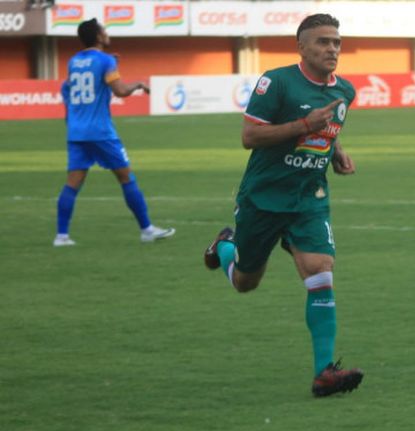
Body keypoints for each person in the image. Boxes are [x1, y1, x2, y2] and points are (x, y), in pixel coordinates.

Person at [203, 14, 362, 398]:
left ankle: (324, 373)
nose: (332, 49)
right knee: (245, 281)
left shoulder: (345, 90)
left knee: (320, 271)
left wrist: (336, 150)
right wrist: (303, 125)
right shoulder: (276, 82)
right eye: (323, 42)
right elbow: (249, 136)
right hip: (263, 198)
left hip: (309, 198)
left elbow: (330, 127)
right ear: (302, 47)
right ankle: (225, 245)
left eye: (337, 42)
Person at [55, 19, 175, 246]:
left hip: (76, 132)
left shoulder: (74, 61)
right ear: (98, 36)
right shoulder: (105, 60)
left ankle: (61, 236)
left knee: (72, 183)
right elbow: (120, 91)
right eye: (104, 30)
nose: (107, 33)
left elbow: (68, 87)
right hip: (101, 132)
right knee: (126, 176)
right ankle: (147, 230)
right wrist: (138, 84)